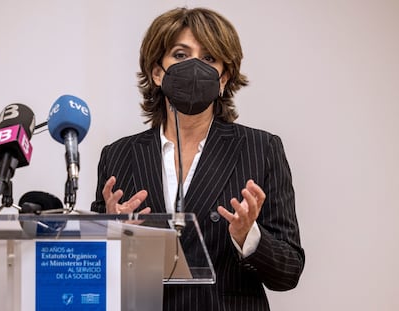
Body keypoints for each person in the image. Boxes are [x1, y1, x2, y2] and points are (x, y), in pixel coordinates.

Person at [91, 7, 305, 311]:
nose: (193, 67)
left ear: (224, 77)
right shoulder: (118, 156)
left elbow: (289, 272)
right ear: (156, 72)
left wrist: (248, 236)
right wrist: (111, 232)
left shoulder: (261, 148)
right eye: (180, 55)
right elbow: (92, 272)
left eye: (208, 59)